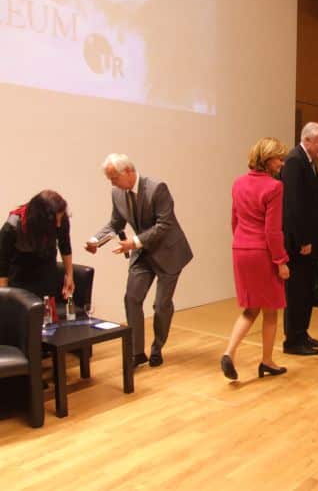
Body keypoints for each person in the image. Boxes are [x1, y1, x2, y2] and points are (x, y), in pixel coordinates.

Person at [85, 154, 193, 368]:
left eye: (114, 177)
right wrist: (96, 240)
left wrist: (134, 242)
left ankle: (157, 348)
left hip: (168, 252)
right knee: (132, 298)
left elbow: (165, 225)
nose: (112, 182)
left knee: (161, 304)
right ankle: (136, 352)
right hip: (143, 253)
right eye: (109, 179)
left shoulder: (157, 188)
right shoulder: (117, 192)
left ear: (128, 172)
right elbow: (116, 222)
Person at [221, 137, 290, 380]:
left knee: (250, 308)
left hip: (240, 249)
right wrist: (281, 262)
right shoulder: (274, 187)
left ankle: (229, 352)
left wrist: (243, 243)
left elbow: (234, 220)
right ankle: (267, 361)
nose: (282, 163)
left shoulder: (238, 183)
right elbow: (273, 231)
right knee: (271, 310)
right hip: (263, 253)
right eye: (279, 158)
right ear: (267, 159)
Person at [280, 122, 318, 355]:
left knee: (306, 289)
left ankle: (302, 332)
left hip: (310, 241)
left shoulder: (307, 162)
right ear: (307, 140)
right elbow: (293, 206)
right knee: (297, 290)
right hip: (301, 244)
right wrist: (302, 240)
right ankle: (292, 340)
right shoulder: (294, 161)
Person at [0, 190, 74, 300]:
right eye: (55, 221)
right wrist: (4, 297)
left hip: (47, 265)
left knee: (47, 311)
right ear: (41, 218)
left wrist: (69, 275)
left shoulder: (60, 218)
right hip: (20, 270)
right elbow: (2, 262)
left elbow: (65, 246)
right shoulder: (12, 226)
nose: (58, 225)